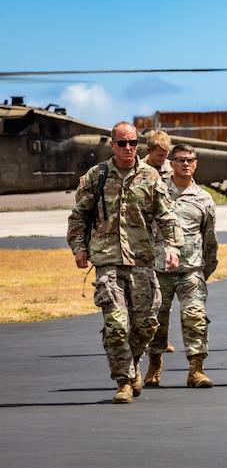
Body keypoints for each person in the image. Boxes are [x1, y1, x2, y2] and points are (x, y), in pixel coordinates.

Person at [67, 121, 182, 404]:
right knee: (116, 325)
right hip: (108, 261)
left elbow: (166, 216)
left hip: (142, 260)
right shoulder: (97, 176)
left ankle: (132, 363)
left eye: (133, 143)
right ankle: (124, 381)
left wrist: (173, 247)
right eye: (122, 143)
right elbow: (78, 217)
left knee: (146, 325)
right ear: (112, 145)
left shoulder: (150, 177)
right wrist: (79, 248)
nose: (128, 148)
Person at [144, 144, 219, 389]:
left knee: (195, 318)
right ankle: (154, 365)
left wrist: (203, 270)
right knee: (155, 321)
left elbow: (209, 238)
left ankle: (196, 370)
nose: (185, 164)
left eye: (190, 160)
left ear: (196, 164)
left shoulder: (204, 198)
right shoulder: (157, 192)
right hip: (159, 271)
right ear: (171, 163)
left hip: (191, 270)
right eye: (180, 160)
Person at [144, 129, 176, 352]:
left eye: (166, 155)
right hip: (142, 238)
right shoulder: (139, 171)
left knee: (163, 291)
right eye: (159, 155)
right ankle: (148, 334)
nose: (163, 160)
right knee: (145, 293)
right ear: (149, 151)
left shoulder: (170, 172)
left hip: (163, 238)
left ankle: (162, 336)